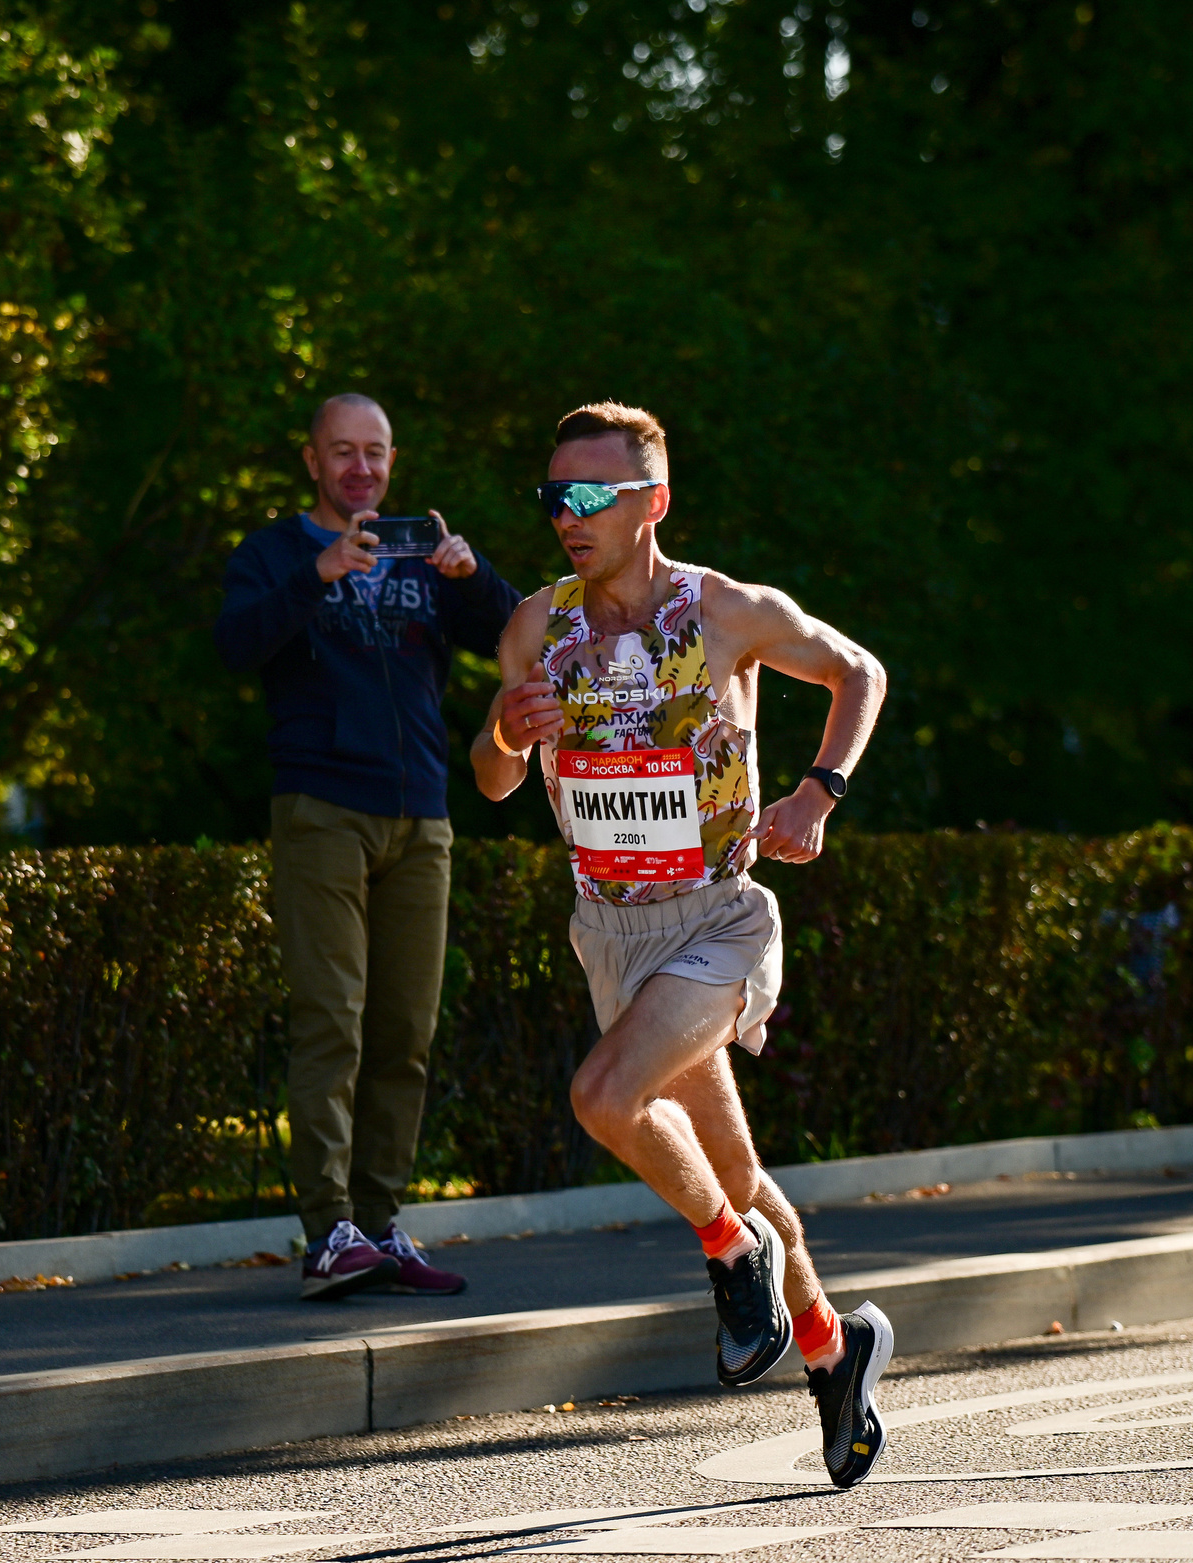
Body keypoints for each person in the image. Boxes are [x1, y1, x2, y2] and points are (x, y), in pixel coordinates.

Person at [472, 401, 897, 1487]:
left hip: (716, 920)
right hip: (609, 933)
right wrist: (503, 735)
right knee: (742, 1174)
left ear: (649, 503)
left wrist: (816, 793)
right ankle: (832, 1350)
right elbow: (490, 777)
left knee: (606, 1098)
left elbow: (859, 672)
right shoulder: (535, 625)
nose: (566, 516)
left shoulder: (723, 612)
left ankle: (727, 1254)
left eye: (589, 497)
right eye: (552, 497)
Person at [215, 394, 522, 1299]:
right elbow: (235, 645)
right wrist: (318, 572)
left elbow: (517, 635)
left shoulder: (422, 552)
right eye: (342, 453)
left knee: (406, 1033)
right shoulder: (273, 553)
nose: (361, 469)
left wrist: (471, 575)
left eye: (375, 453)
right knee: (331, 1023)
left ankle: (382, 1228)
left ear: (393, 462)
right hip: (321, 809)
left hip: (421, 815)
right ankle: (329, 1232)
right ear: (311, 461)